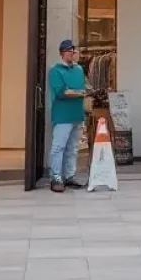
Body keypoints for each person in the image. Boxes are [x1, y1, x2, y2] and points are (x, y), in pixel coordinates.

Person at [48, 39, 87, 193]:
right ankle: (56, 176)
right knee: (59, 146)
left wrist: (80, 93)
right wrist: (80, 93)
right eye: (69, 51)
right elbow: (61, 92)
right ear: (63, 53)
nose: (72, 53)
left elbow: (81, 87)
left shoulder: (79, 70)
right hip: (62, 115)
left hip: (77, 114)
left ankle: (69, 175)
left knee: (73, 148)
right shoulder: (55, 71)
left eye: (74, 51)